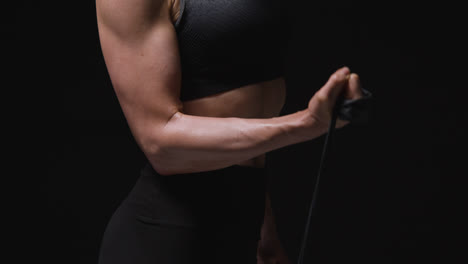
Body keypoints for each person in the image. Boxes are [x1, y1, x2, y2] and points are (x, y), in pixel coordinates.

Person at [96, 0, 365, 263]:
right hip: (167, 237)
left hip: (244, 230)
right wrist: (307, 122)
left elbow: (247, 118)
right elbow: (160, 143)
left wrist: (266, 240)